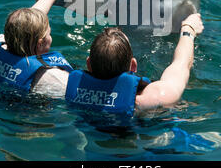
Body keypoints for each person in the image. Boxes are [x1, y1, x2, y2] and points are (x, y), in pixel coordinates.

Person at [65, 13, 204, 115]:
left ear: (88, 64)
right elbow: (181, 64)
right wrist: (188, 29)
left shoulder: (64, 86)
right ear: (133, 65)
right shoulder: (152, 98)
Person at [0, 0, 81, 97]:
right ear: (40, 43)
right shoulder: (54, 79)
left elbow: (26, 23)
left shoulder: (1, 45)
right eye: (49, 34)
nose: (50, 37)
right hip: (31, 112)